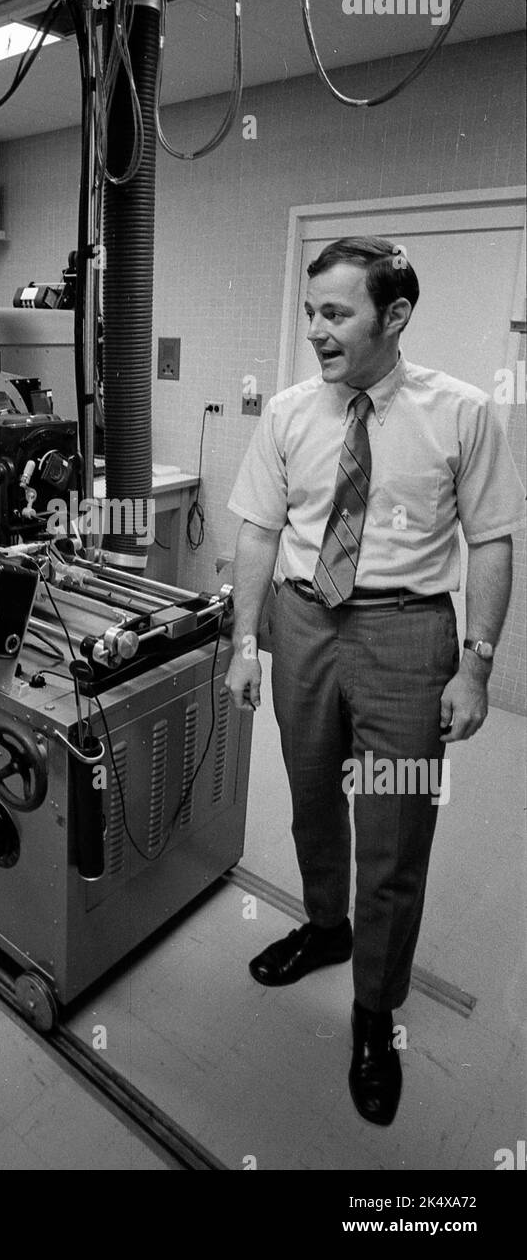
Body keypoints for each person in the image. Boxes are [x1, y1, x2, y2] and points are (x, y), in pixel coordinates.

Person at [224, 236, 525, 1126]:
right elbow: (255, 532)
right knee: (312, 795)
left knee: (392, 832)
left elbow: (494, 540)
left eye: (334, 313)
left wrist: (475, 665)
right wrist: (246, 642)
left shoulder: (462, 413)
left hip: (406, 636)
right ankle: (324, 925)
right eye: (308, 312)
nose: (314, 331)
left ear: (393, 316)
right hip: (303, 625)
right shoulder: (287, 414)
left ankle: (372, 1013)